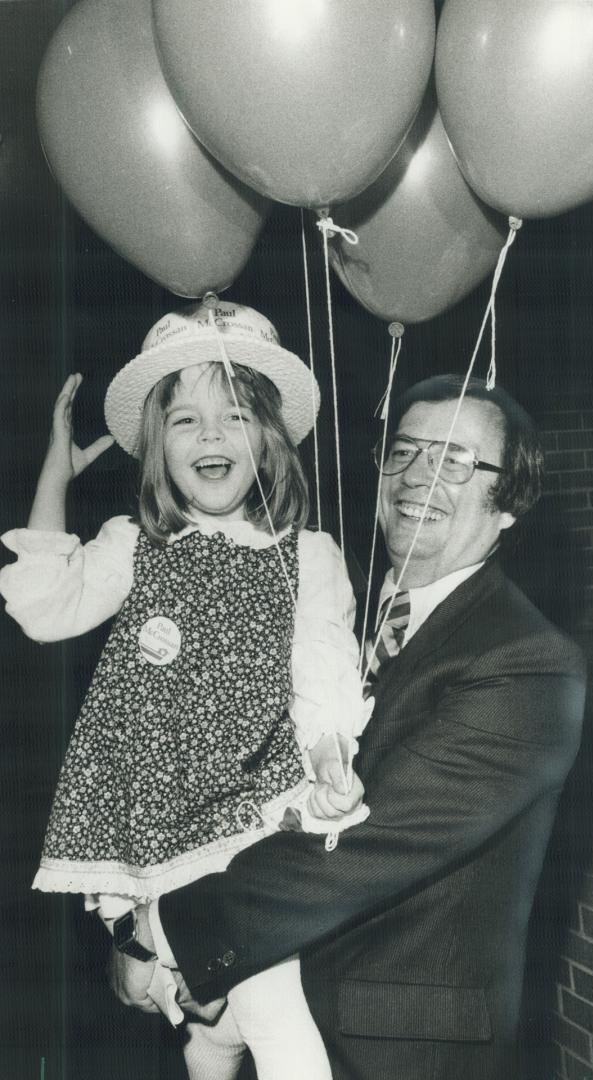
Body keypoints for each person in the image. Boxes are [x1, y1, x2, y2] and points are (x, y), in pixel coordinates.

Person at [110, 372, 587, 1080]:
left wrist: (161, 929)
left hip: (400, 1051)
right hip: (277, 1008)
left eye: (455, 460)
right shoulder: (334, 603)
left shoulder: (529, 662)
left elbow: (366, 841)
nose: (418, 475)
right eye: (404, 451)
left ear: (510, 499)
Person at [0, 299, 369, 1080]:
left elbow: (325, 671)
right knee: (210, 1032)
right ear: (155, 450)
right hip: (151, 830)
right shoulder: (133, 545)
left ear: (267, 439)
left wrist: (332, 758)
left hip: (251, 816)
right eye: (185, 421)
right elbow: (42, 606)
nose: (210, 435)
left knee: (273, 1018)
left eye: (234, 416)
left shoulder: (307, 555)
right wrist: (54, 475)